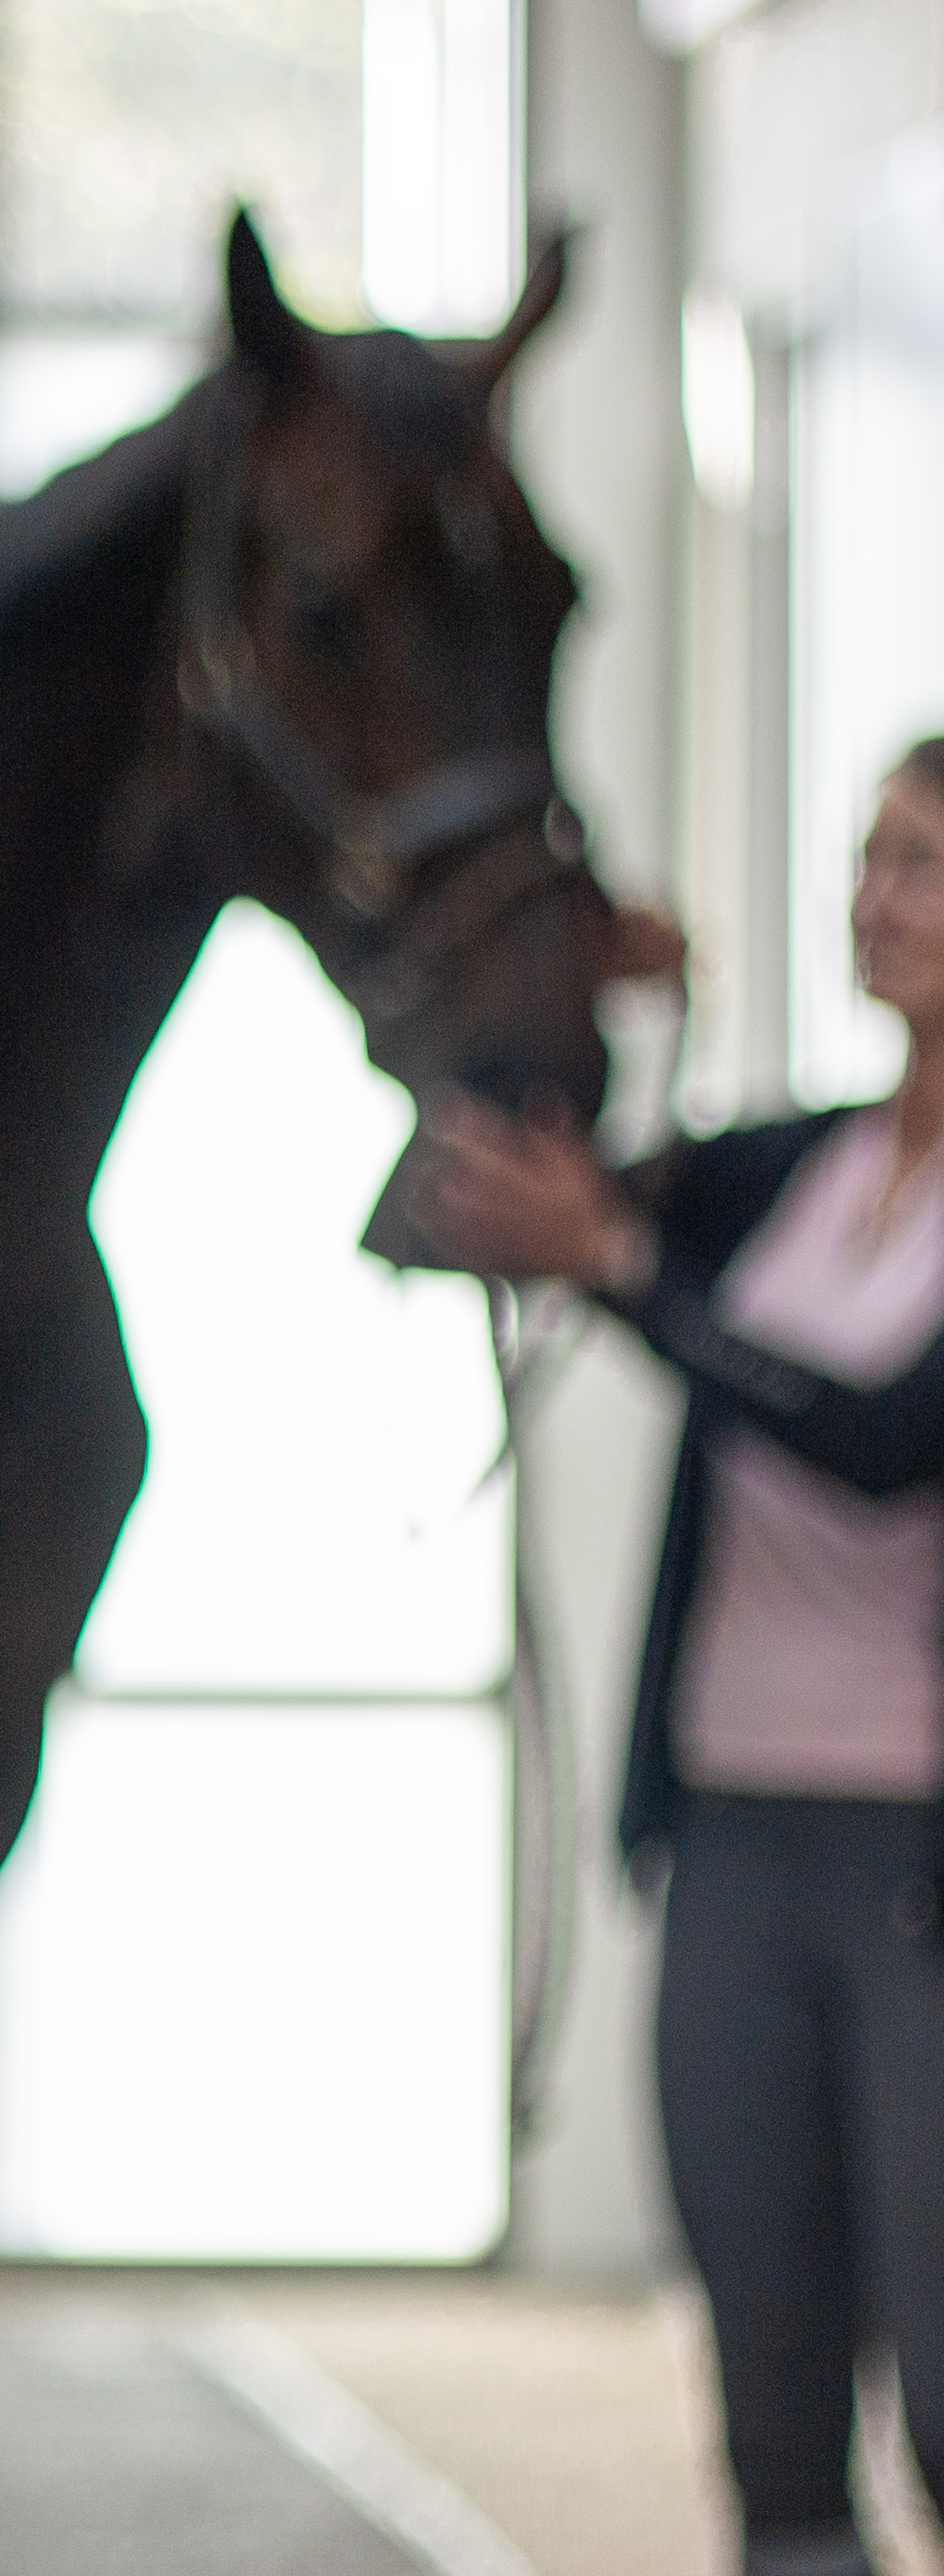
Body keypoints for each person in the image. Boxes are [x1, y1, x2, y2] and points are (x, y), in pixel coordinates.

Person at [421, 743, 944, 2576]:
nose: (874, 896)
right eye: (870, 854)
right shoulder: (791, 1166)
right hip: (730, 1839)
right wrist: (550, 992)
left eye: (923, 864)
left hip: (915, 1875)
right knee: (771, 2401)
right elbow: (449, 1202)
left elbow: (884, 1443)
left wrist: (630, 1275)